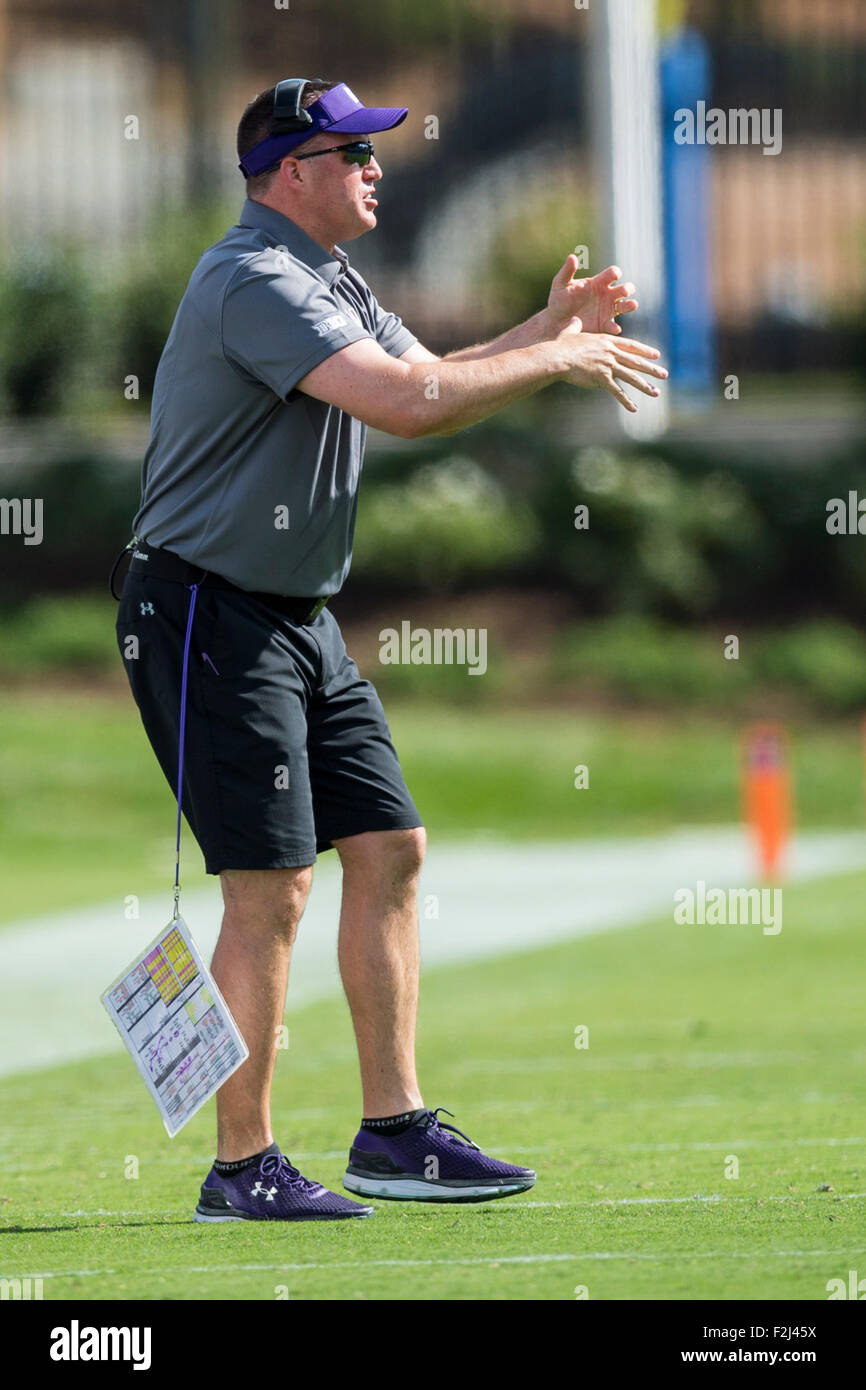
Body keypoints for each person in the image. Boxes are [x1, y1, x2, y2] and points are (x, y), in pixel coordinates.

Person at [114, 76, 667, 1222]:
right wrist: (553, 365)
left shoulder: (328, 274)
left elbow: (434, 377)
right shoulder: (254, 277)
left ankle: (395, 1132)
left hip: (293, 614)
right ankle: (241, 1166)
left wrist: (539, 331)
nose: (374, 169)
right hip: (206, 612)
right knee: (270, 889)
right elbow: (404, 406)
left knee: (390, 846)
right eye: (351, 152)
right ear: (290, 173)